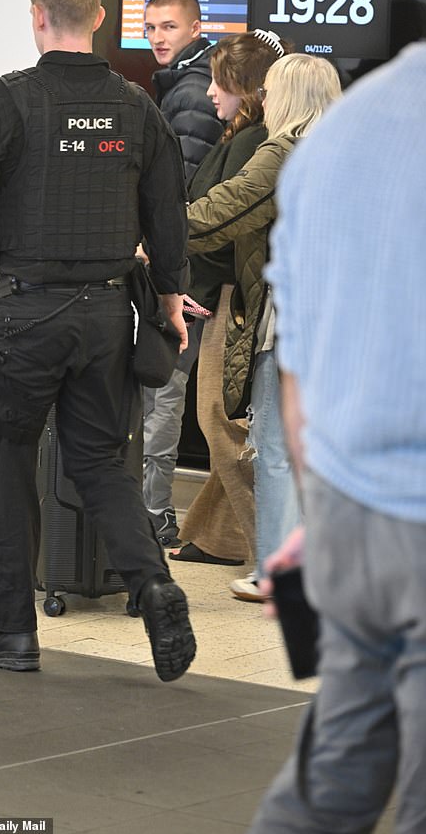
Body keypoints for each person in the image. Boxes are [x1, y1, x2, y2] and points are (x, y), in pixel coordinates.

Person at [251, 0, 426, 833]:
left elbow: (300, 358)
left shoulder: (333, 136)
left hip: (346, 514)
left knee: (336, 771)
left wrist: (318, 515)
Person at [0, 0, 196, 682]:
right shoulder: (137, 108)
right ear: (101, 18)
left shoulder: (8, 101)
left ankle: (11, 633)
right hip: (109, 313)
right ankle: (153, 584)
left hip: (26, 315)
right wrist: (169, 297)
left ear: (38, 17)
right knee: (99, 464)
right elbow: (168, 218)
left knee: (10, 467)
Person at [174, 55, 341, 596]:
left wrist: (162, 234)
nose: (262, 101)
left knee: (272, 443)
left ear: (289, 96)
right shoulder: (346, 150)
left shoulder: (284, 151)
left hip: (292, 315)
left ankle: (276, 571)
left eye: (269, 91)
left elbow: (231, 206)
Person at [165, 29, 290, 569]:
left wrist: (171, 259)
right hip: (229, 295)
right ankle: (220, 537)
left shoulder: (249, 144)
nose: (211, 93)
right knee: (231, 423)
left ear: (249, 87)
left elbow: (222, 221)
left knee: (220, 423)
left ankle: (275, 547)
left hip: (229, 299)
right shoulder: (240, 136)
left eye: (222, 83)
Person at [141, 0, 223, 547]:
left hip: (182, 272)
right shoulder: (183, 88)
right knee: (162, 393)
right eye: (150, 28)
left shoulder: (191, 94)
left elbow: (179, 198)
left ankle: (153, 512)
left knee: (163, 392)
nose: (158, 39)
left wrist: (156, 254)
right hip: (186, 269)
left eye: (169, 27)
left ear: (196, 29)